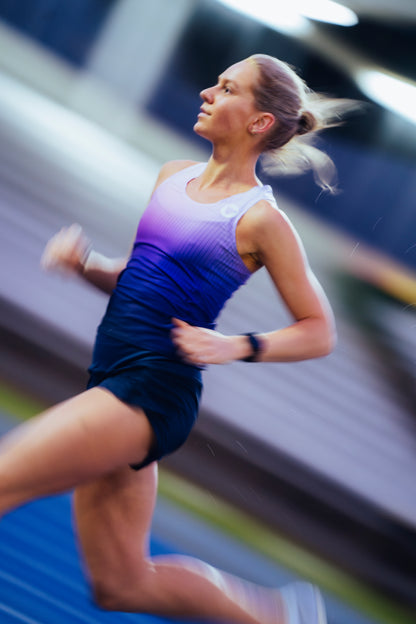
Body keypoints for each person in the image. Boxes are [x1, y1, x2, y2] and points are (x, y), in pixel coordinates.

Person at [0, 53, 349, 624]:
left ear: (259, 122)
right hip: (112, 375)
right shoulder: (173, 175)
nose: (208, 91)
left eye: (227, 87)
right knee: (121, 585)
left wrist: (237, 345)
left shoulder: (261, 220)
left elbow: (320, 331)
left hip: (150, 389)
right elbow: (143, 277)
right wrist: (87, 265)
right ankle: (277, 619)